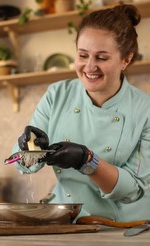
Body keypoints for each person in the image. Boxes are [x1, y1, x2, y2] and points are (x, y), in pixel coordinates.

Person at [13, 4, 150, 222]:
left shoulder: (145, 110)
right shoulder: (57, 94)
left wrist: (87, 160)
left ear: (126, 59)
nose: (89, 66)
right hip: (64, 217)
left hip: (121, 227)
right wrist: (29, 147)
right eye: (83, 55)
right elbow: (21, 163)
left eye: (102, 58)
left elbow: (132, 190)